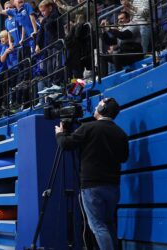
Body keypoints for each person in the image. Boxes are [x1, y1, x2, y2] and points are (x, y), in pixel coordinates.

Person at [55, 98, 129, 250]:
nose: (95, 107)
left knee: (98, 226)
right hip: (113, 186)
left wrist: (60, 134)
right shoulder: (120, 133)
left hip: (91, 186)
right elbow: (124, 157)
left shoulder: (88, 128)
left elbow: (66, 144)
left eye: (98, 105)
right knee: (109, 224)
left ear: (102, 108)